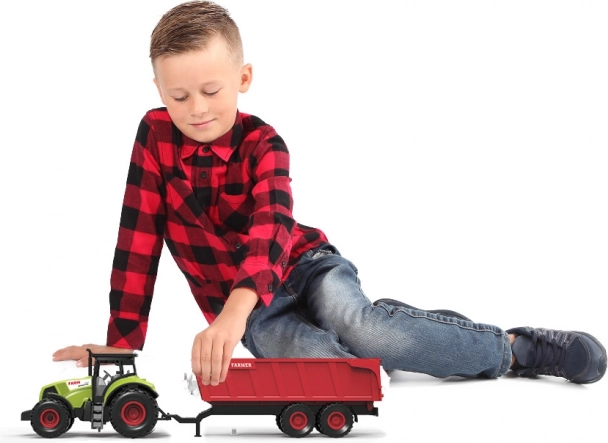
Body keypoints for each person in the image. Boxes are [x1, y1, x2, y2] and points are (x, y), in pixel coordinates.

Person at [53, 0, 606, 386]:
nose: (196, 109)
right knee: (329, 368)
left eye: (211, 90)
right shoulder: (153, 136)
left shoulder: (265, 143)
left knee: (366, 332)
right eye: (178, 96)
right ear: (158, 89)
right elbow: (137, 239)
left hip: (303, 267)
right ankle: (411, 334)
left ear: (243, 79)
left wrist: (232, 314)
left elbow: (270, 229)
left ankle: (514, 349)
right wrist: (122, 343)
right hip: (253, 313)